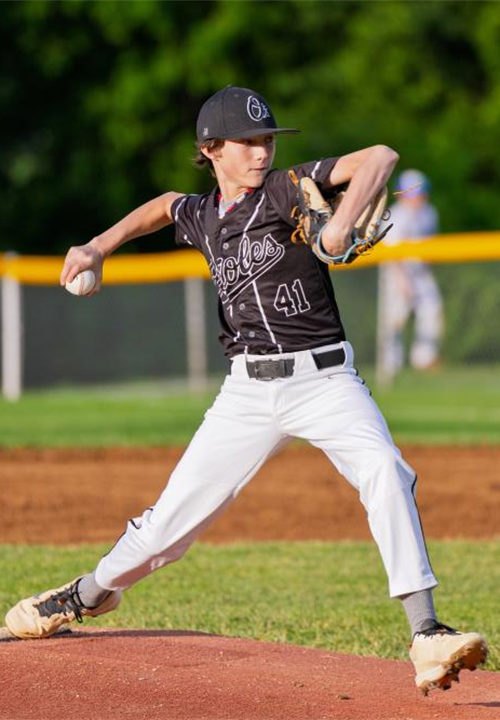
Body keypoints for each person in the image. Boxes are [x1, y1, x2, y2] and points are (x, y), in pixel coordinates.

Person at [5, 86, 486, 694]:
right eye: (248, 142)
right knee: (165, 529)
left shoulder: (287, 188)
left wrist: (339, 226)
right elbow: (163, 206)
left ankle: (426, 632)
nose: (262, 152)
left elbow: (381, 157)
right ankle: (85, 595)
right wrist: (97, 246)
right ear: (211, 150)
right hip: (247, 393)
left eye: (267, 141)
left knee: (386, 471)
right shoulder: (202, 215)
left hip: (325, 381)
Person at [379, 170, 444, 379]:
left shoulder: (429, 212)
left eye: (420, 192)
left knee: (432, 310)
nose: (417, 197)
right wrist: (401, 280)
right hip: (397, 272)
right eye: (412, 193)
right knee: (395, 319)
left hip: (421, 273)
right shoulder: (395, 215)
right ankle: (390, 366)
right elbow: (391, 253)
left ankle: (424, 359)